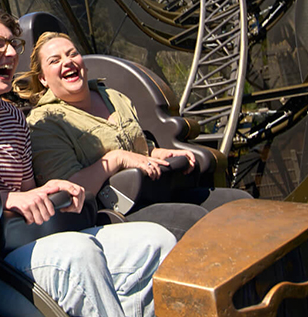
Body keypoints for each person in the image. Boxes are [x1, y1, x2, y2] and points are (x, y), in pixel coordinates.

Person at [0, 5, 187, 317]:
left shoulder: (13, 118)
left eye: (13, 44)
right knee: (77, 254)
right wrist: (3, 199)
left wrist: (46, 189)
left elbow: (27, 197)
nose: (10, 52)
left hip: (25, 246)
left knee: (155, 240)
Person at [17, 32, 251, 239]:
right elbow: (68, 192)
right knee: (195, 220)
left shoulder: (113, 96)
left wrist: (158, 152)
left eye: (72, 54)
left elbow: (140, 149)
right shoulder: (44, 123)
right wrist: (116, 159)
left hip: (154, 191)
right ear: (44, 79)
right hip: (106, 214)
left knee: (238, 203)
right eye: (55, 60)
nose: (67, 62)